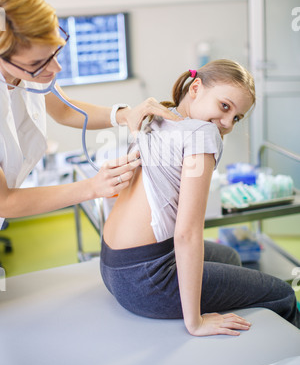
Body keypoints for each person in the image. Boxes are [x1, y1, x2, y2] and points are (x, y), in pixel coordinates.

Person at [101, 59, 300, 337]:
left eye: (237, 118)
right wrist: (194, 322)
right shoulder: (203, 133)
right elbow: (187, 234)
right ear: (196, 87)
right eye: (225, 106)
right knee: (281, 294)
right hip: (146, 280)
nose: (228, 124)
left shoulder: (157, 115)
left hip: (113, 267)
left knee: (228, 255)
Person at [0, 0, 180, 229]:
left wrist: (124, 114)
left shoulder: (27, 65)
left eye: (56, 51)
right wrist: (93, 187)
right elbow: (4, 202)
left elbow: (63, 109)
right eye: (37, 64)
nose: (56, 68)